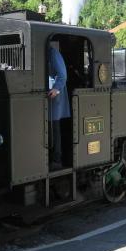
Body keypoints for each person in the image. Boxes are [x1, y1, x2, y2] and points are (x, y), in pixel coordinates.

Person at [48, 43, 70, 171]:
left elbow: (62, 74)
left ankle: (57, 159)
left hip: (55, 95)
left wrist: (56, 88)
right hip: (47, 95)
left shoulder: (53, 53)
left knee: (55, 127)